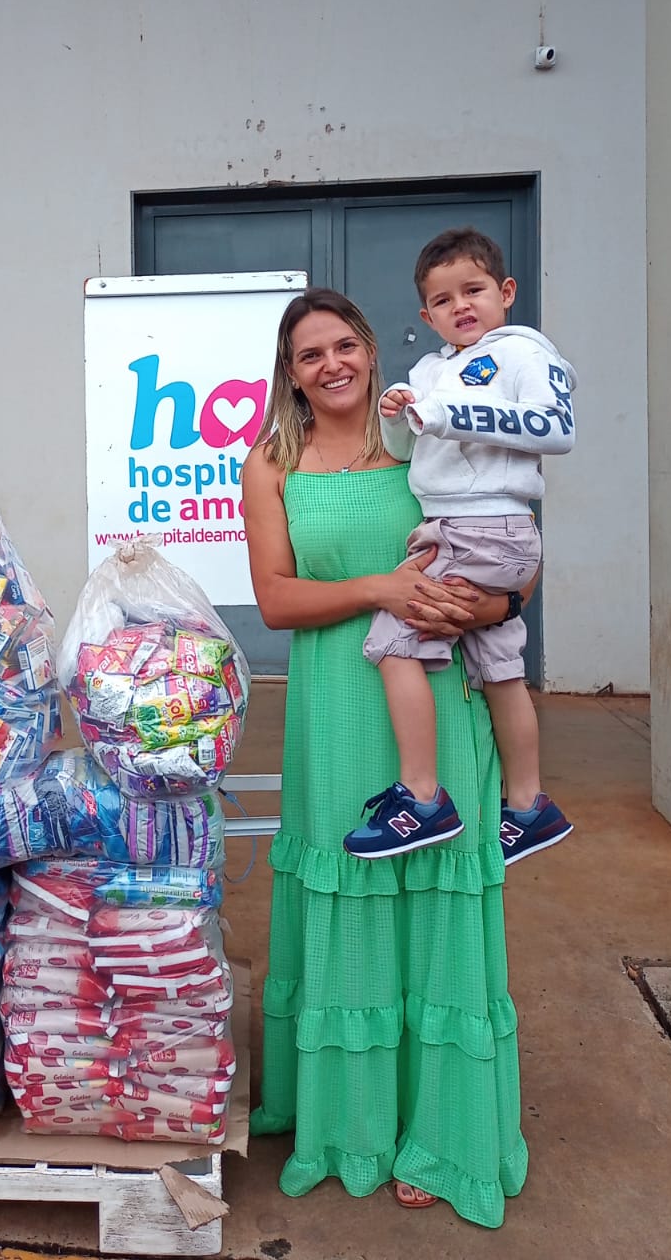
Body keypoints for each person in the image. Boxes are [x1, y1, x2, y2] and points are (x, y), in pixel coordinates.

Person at [243, 286, 528, 1227]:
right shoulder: (271, 464)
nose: (331, 365)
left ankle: (443, 1135)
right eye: (309, 354)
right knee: (353, 884)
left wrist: (483, 606)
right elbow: (277, 600)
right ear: (291, 374)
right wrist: (382, 589)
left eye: (344, 346)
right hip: (336, 708)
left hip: (440, 700)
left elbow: (516, 563)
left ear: (370, 350)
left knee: (436, 891)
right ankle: (351, 1124)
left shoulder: (430, 436)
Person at [347, 228, 574, 866]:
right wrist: (398, 414)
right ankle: (529, 806)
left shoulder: (524, 352)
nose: (461, 306)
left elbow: (557, 427)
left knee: (394, 638)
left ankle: (422, 798)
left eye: (473, 290)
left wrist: (449, 413)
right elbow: (407, 448)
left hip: (484, 526)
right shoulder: (430, 370)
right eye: (443, 300)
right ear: (427, 316)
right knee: (501, 670)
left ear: (506, 291)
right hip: (469, 529)